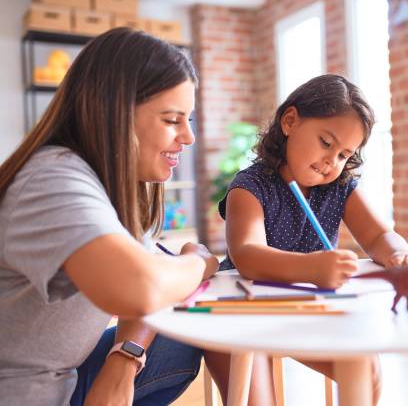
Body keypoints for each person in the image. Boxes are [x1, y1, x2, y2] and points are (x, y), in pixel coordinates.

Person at [0, 27, 273, 406]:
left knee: (204, 315)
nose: (188, 137)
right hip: (23, 391)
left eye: (188, 120)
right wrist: (197, 261)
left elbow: (152, 281)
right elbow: (141, 287)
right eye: (171, 119)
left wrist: (125, 359)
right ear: (116, 112)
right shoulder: (52, 180)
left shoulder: (115, 186)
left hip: (66, 376)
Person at [218, 74, 408, 403]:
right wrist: (310, 268)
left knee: (365, 370)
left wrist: (398, 254)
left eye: (344, 154)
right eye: (326, 143)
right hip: (242, 314)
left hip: (306, 311)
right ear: (290, 121)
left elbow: (378, 234)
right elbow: (247, 254)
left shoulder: (340, 188)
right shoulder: (250, 186)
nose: (332, 162)